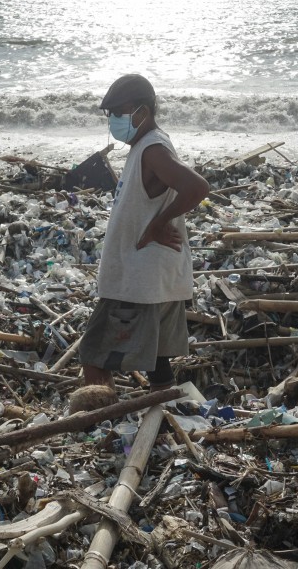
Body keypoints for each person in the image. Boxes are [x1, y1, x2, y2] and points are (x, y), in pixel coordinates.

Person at [77, 74, 210, 398]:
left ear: (142, 110)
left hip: (138, 280)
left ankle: (97, 423)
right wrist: (157, 222)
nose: (114, 121)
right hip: (153, 277)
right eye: (110, 115)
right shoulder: (145, 145)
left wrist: (157, 224)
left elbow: (197, 187)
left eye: (119, 112)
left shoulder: (152, 148)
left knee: (94, 358)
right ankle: (161, 419)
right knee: (157, 360)